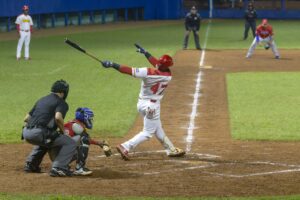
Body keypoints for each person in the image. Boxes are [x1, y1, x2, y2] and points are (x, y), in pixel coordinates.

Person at [100, 44, 186, 161]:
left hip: (142, 104)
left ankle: (170, 149)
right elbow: (158, 64)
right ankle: (125, 146)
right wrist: (146, 53)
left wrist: (112, 64)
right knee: (148, 133)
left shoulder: (147, 72)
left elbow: (128, 70)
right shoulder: (167, 75)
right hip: (152, 106)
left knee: (157, 128)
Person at [22, 80, 77, 177]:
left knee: (48, 139)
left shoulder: (42, 99)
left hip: (26, 133)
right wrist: (64, 132)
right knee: (70, 142)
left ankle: (31, 164)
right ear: (63, 92)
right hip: (38, 133)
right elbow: (58, 117)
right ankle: (59, 167)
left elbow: (26, 118)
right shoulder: (61, 102)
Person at [61, 107, 112, 176]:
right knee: (83, 141)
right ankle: (79, 168)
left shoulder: (77, 125)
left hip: (61, 153)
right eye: (89, 118)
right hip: (60, 154)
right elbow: (66, 141)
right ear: (84, 117)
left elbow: (87, 139)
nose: (90, 119)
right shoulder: (74, 126)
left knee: (82, 141)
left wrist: (99, 143)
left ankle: (64, 165)